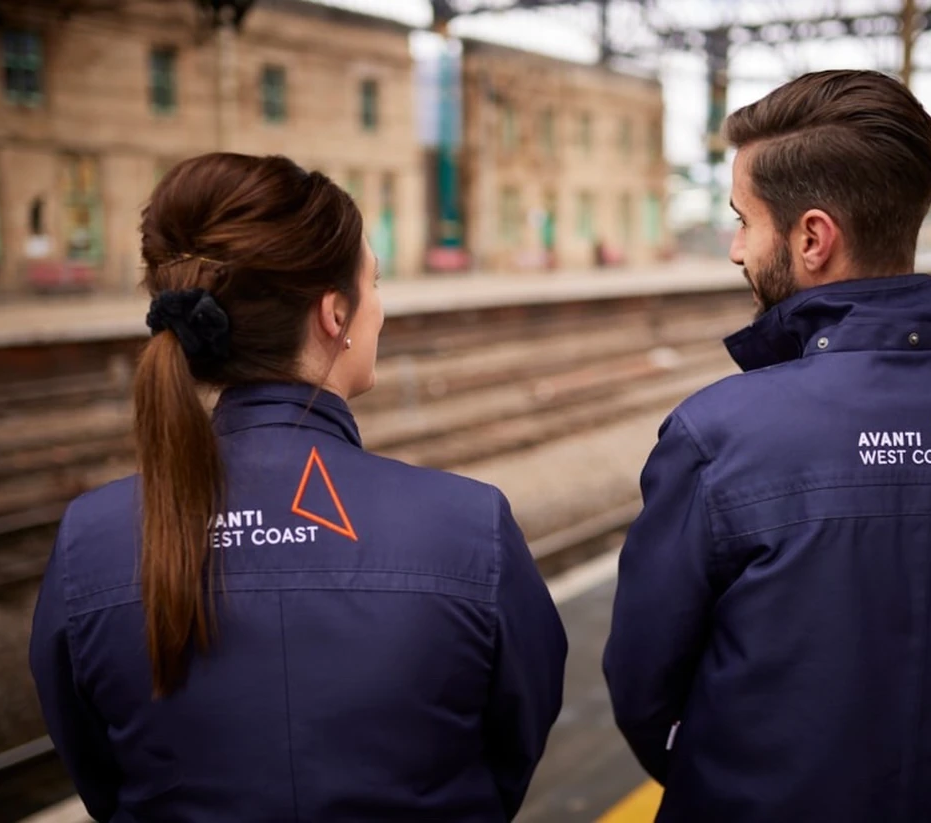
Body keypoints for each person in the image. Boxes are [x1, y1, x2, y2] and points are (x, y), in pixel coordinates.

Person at [30, 153, 567, 822]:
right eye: (374, 283)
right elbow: (515, 740)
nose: (380, 308)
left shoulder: (89, 540)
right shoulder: (469, 524)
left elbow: (97, 771)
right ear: (335, 313)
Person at [603, 70, 931, 822]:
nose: (736, 249)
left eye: (744, 221)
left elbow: (643, 684)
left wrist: (723, 771)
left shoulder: (716, 434)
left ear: (812, 238)